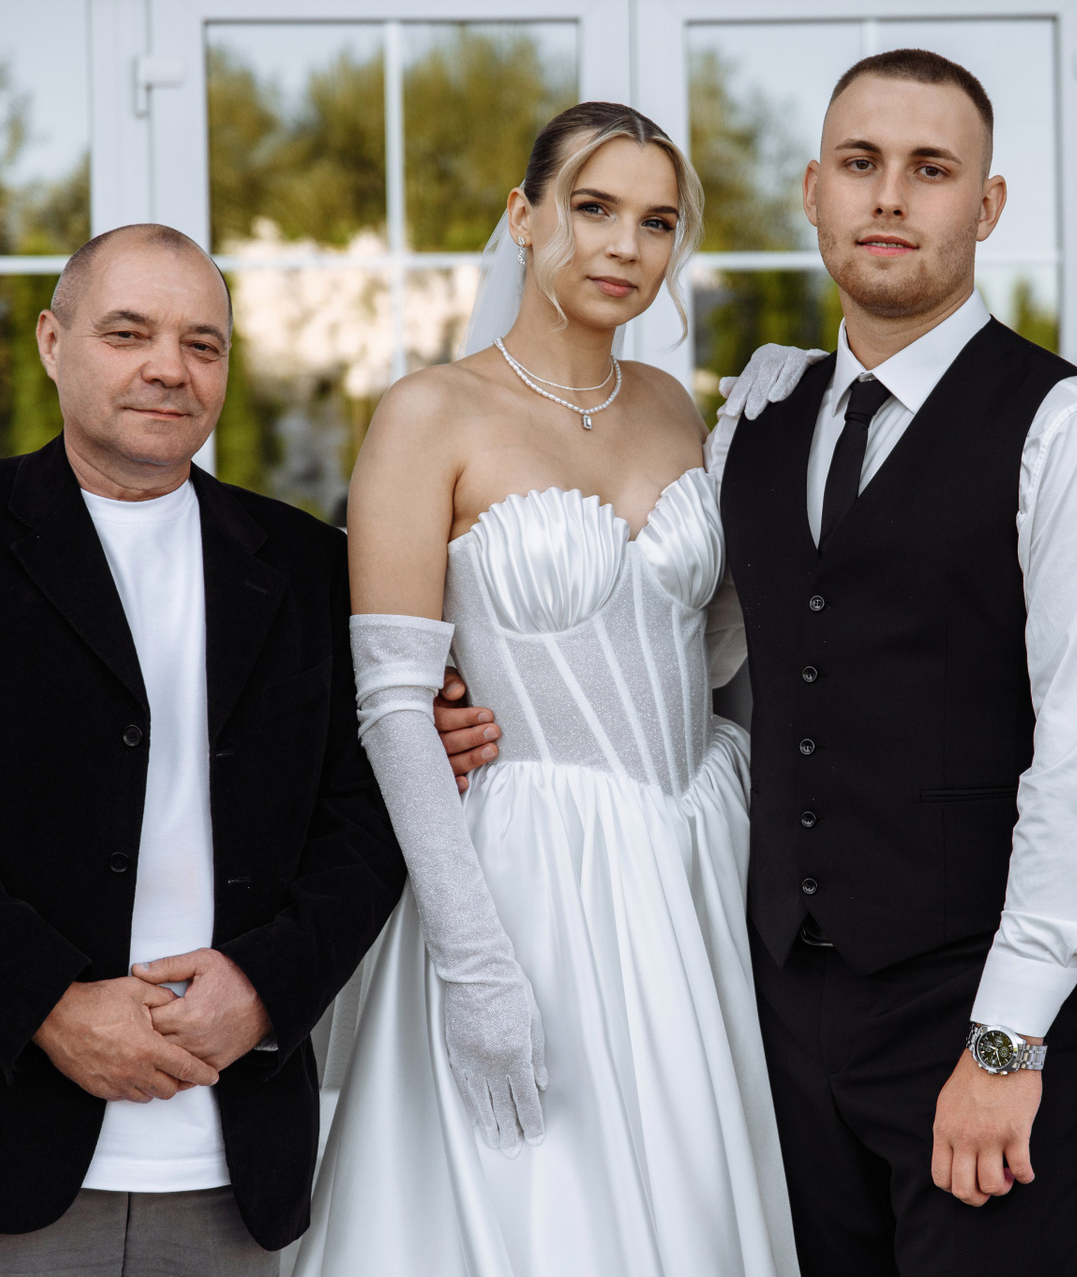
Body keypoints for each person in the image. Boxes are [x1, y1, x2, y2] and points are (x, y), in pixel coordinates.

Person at [554, 50, 1077, 1276]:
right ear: (812, 191)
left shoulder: (1068, 431)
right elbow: (689, 655)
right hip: (780, 1004)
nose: (889, 196)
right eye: (860, 163)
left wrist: (1007, 1043)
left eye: (931, 169)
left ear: (986, 205)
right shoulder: (761, 419)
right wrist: (489, 698)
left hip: (979, 1007)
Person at [0, 224, 406, 1274]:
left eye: (202, 343)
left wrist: (266, 986)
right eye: (128, 333)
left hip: (231, 1150)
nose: (169, 367)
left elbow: (364, 816)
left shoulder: (312, 565)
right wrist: (49, 1005)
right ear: (54, 342)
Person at [292, 102, 798, 1277]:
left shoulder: (676, 406)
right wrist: (476, 964)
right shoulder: (430, 413)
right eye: (594, 207)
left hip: (691, 856)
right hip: (528, 874)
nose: (626, 245)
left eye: (657, 222)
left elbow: (705, 650)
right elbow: (392, 705)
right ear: (522, 216)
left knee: (693, 1194)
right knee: (541, 1212)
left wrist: (764, 439)